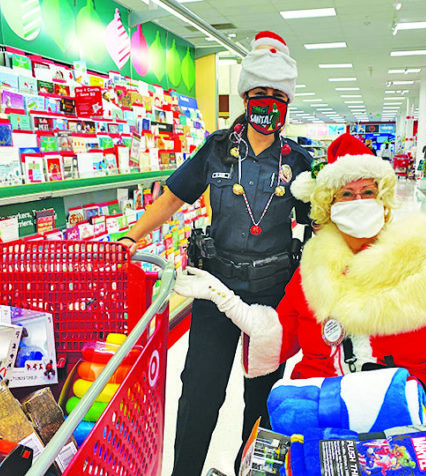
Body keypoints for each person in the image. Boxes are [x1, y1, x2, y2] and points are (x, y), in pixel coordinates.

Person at [175, 133, 426, 441]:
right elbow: (280, 334)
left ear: (384, 200)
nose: (358, 200)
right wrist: (226, 300)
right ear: (328, 208)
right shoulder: (313, 269)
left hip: (414, 423)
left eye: (368, 192)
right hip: (326, 417)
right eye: (346, 194)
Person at [118, 31, 312, 476]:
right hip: (216, 290)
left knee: (262, 397)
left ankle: (251, 471)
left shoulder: (300, 163)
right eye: (260, 93)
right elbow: (173, 197)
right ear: (245, 95)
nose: (268, 103)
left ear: (288, 101)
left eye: (278, 95)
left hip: (273, 296)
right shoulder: (216, 149)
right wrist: (133, 234)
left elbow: (317, 222)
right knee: (200, 393)